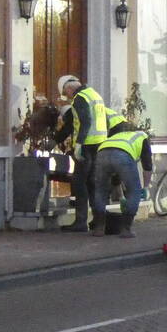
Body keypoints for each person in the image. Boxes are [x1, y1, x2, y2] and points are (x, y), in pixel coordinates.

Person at [58, 75, 108, 231]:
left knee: (79, 183)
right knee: (93, 183)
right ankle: (98, 221)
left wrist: (79, 144)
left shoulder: (80, 98)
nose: (68, 96)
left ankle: (80, 222)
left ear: (69, 88)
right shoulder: (94, 94)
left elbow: (85, 121)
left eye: (66, 93)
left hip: (86, 147)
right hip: (99, 145)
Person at [90, 128, 152, 238]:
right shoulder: (143, 137)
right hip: (123, 154)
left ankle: (99, 228)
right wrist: (146, 187)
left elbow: (116, 174)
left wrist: (121, 196)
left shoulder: (121, 135)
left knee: (100, 190)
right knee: (134, 191)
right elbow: (147, 166)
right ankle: (126, 229)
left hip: (102, 153)